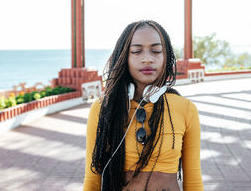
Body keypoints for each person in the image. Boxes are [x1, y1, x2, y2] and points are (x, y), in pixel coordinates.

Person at [83, 20, 203, 191]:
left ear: (166, 56)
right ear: (124, 57)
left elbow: (194, 182)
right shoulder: (103, 108)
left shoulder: (185, 109)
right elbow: (92, 180)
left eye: (156, 51)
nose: (147, 59)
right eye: (136, 51)